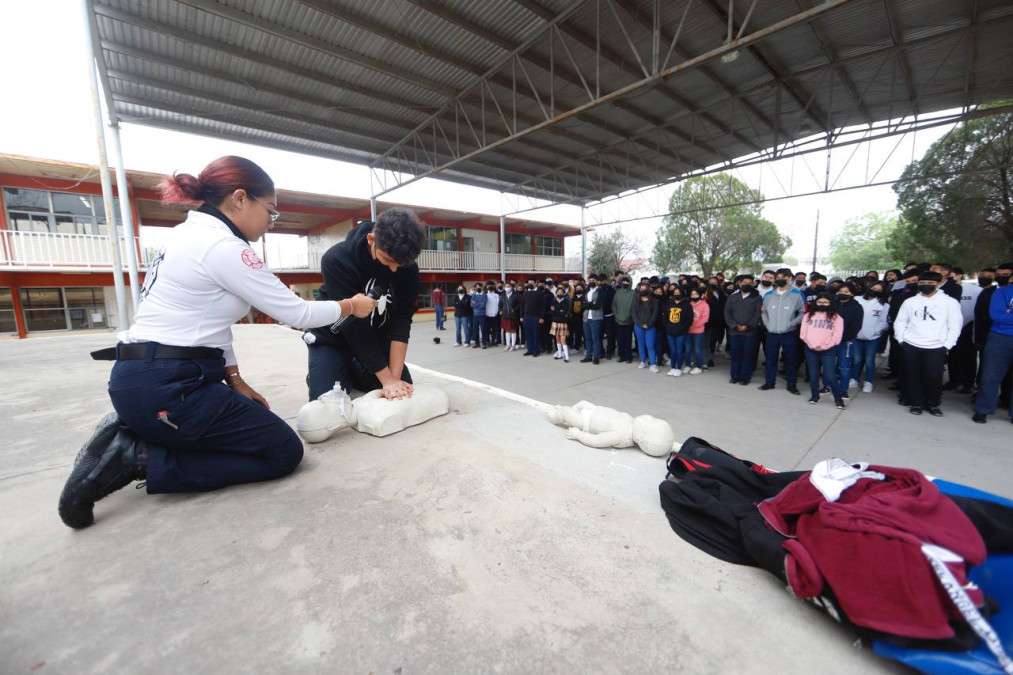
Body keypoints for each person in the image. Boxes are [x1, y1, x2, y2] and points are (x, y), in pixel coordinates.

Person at [58, 156, 377, 529]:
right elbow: (297, 313)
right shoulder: (225, 247)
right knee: (282, 452)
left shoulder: (184, 235)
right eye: (270, 211)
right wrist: (351, 305)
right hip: (170, 386)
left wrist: (235, 380)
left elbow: (213, 322)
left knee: (258, 430)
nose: (270, 223)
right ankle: (135, 455)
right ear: (240, 199)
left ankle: (136, 426)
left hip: (148, 377)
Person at [305, 208, 424, 401]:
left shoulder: (406, 264)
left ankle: (353, 369)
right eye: (388, 261)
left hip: (376, 337)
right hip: (334, 336)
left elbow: (402, 319)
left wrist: (393, 380)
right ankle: (329, 370)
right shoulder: (337, 260)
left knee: (402, 385)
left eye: (400, 265)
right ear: (371, 240)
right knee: (328, 402)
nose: (394, 269)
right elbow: (355, 328)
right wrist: (385, 379)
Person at [893, 272, 963, 416]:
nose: (926, 286)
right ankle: (916, 403)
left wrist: (948, 345)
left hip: (936, 346)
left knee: (933, 377)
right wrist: (901, 339)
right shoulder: (910, 302)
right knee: (913, 375)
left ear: (937, 283)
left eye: (930, 283)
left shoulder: (949, 302)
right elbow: (900, 321)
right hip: (911, 344)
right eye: (922, 283)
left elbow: (955, 325)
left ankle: (933, 404)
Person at [972, 262, 1013, 424]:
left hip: (1002, 333)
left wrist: (1008, 313)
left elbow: (1005, 316)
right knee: (990, 375)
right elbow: (997, 316)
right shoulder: (1002, 292)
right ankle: (983, 410)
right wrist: (1006, 315)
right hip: (1000, 338)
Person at [759, 269, 804, 394]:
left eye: (783, 277)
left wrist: (792, 324)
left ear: (789, 278)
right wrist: (768, 325)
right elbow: (764, 312)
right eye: (777, 277)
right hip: (772, 333)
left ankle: (791, 384)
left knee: (790, 360)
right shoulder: (769, 295)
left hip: (789, 333)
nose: (780, 279)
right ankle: (769, 382)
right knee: (771, 359)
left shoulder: (797, 294)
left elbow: (802, 313)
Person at [801, 293, 845, 408]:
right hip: (811, 349)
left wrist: (824, 346)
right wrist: (812, 345)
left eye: (825, 302)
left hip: (828, 350)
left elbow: (837, 337)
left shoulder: (836, 318)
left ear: (830, 303)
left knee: (830, 375)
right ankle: (815, 396)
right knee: (813, 374)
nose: (822, 304)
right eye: (820, 302)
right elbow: (803, 334)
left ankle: (838, 399)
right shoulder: (808, 316)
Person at [724, 275, 763, 385]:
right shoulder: (732, 297)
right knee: (735, 355)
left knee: (748, 355)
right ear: (740, 284)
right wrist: (735, 326)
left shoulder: (757, 297)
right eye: (744, 282)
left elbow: (757, 314)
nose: (747, 284)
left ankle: (745, 378)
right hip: (734, 332)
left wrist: (748, 326)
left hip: (750, 333)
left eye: (750, 283)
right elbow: (727, 313)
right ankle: (734, 376)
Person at [852, 281, 889, 392]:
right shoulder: (856, 299)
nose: (875, 291)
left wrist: (875, 332)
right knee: (857, 360)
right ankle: (854, 379)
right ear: (869, 287)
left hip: (873, 338)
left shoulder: (884, 305)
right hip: (856, 336)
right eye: (874, 288)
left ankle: (868, 382)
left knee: (869, 360)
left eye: (879, 290)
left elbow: (885, 322)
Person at [834, 283, 864, 398]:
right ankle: (827, 385)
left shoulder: (857, 307)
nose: (843, 293)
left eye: (846, 292)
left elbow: (856, 327)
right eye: (841, 291)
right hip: (831, 341)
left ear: (851, 293)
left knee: (844, 366)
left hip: (846, 341)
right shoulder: (833, 304)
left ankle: (843, 389)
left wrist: (841, 337)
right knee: (829, 365)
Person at [662, 285, 693, 376]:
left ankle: (678, 368)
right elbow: (665, 317)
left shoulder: (687, 305)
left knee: (679, 351)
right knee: (673, 351)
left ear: (682, 294)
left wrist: (683, 328)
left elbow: (689, 319)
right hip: (670, 331)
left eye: (678, 293)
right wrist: (667, 327)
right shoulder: (669, 303)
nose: (677, 294)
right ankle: (672, 367)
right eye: (675, 293)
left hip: (681, 332)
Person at [632, 282, 659, 372]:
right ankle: (642, 361)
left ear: (648, 290)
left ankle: (653, 364)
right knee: (641, 344)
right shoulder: (636, 301)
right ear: (639, 290)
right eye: (641, 289)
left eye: (645, 289)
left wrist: (648, 324)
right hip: (638, 326)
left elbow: (655, 314)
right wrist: (641, 324)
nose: (643, 290)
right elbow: (634, 314)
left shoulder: (654, 301)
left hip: (650, 327)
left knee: (650, 345)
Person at [686, 287, 710, 374]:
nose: (694, 296)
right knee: (688, 349)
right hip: (688, 331)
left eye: (696, 294)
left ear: (700, 295)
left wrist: (694, 326)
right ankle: (688, 365)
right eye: (692, 294)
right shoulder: (688, 304)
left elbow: (705, 319)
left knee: (698, 349)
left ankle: (699, 367)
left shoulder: (705, 305)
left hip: (698, 331)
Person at [520, 279, 546, 357]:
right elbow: (522, 305)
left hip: (536, 316)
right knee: (528, 334)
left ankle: (536, 350)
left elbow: (543, 306)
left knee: (536, 333)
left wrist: (542, 317)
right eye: (529, 282)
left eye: (532, 282)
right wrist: (521, 316)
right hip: (526, 316)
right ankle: (530, 349)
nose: (530, 284)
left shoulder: (539, 293)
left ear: (536, 284)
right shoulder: (525, 293)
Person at [581, 275, 604, 364]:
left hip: (596, 318)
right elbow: (582, 305)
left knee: (596, 338)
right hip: (586, 318)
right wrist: (591, 303)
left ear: (597, 281)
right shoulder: (587, 291)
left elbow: (598, 305)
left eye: (593, 280)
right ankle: (588, 356)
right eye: (590, 280)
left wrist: (587, 304)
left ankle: (596, 357)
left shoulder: (600, 291)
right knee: (587, 338)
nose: (591, 281)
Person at [613, 276, 635, 363]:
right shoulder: (618, 292)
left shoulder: (633, 293)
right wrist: (616, 315)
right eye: (624, 282)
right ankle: (621, 355)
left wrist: (629, 316)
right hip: (618, 320)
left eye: (627, 282)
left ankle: (628, 357)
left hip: (629, 320)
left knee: (628, 339)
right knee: (619, 339)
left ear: (630, 283)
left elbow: (635, 307)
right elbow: (614, 305)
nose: (625, 283)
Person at [549, 285, 572, 361]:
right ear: (556, 293)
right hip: (555, 321)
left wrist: (558, 311)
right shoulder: (553, 301)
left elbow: (565, 311)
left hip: (563, 322)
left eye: (561, 292)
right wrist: (560, 311)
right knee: (557, 338)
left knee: (563, 339)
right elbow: (552, 311)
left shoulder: (565, 301)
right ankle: (559, 354)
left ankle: (567, 356)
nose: (559, 293)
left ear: (563, 293)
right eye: (558, 292)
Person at [500, 280, 521, 352]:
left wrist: (514, 309)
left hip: (513, 315)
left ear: (511, 287)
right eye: (506, 286)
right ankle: (508, 345)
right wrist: (500, 310)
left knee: (513, 329)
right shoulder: (503, 295)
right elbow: (500, 304)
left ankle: (513, 345)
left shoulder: (516, 295)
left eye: (508, 286)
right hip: (505, 315)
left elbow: (520, 304)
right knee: (507, 329)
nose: (507, 288)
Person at [469, 282, 487, 348]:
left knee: (483, 329)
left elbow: (483, 305)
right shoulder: (473, 295)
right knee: (475, 330)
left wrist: (476, 303)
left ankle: (484, 343)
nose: (478, 288)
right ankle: (477, 343)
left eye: (479, 287)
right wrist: (479, 303)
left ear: (481, 287)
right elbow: (471, 305)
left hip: (482, 315)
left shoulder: (484, 295)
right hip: (475, 315)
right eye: (476, 287)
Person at [484, 282, 500, 348]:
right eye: (489, 286)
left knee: (494, 329)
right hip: (486, 314)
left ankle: (493, 340)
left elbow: (498, 304)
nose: (490, 287)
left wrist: (496, 312)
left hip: (495, 314)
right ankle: (487, 341)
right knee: (487, 329)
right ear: (487, 287)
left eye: (492, 286)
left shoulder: (496, 295)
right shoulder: (485, 295)